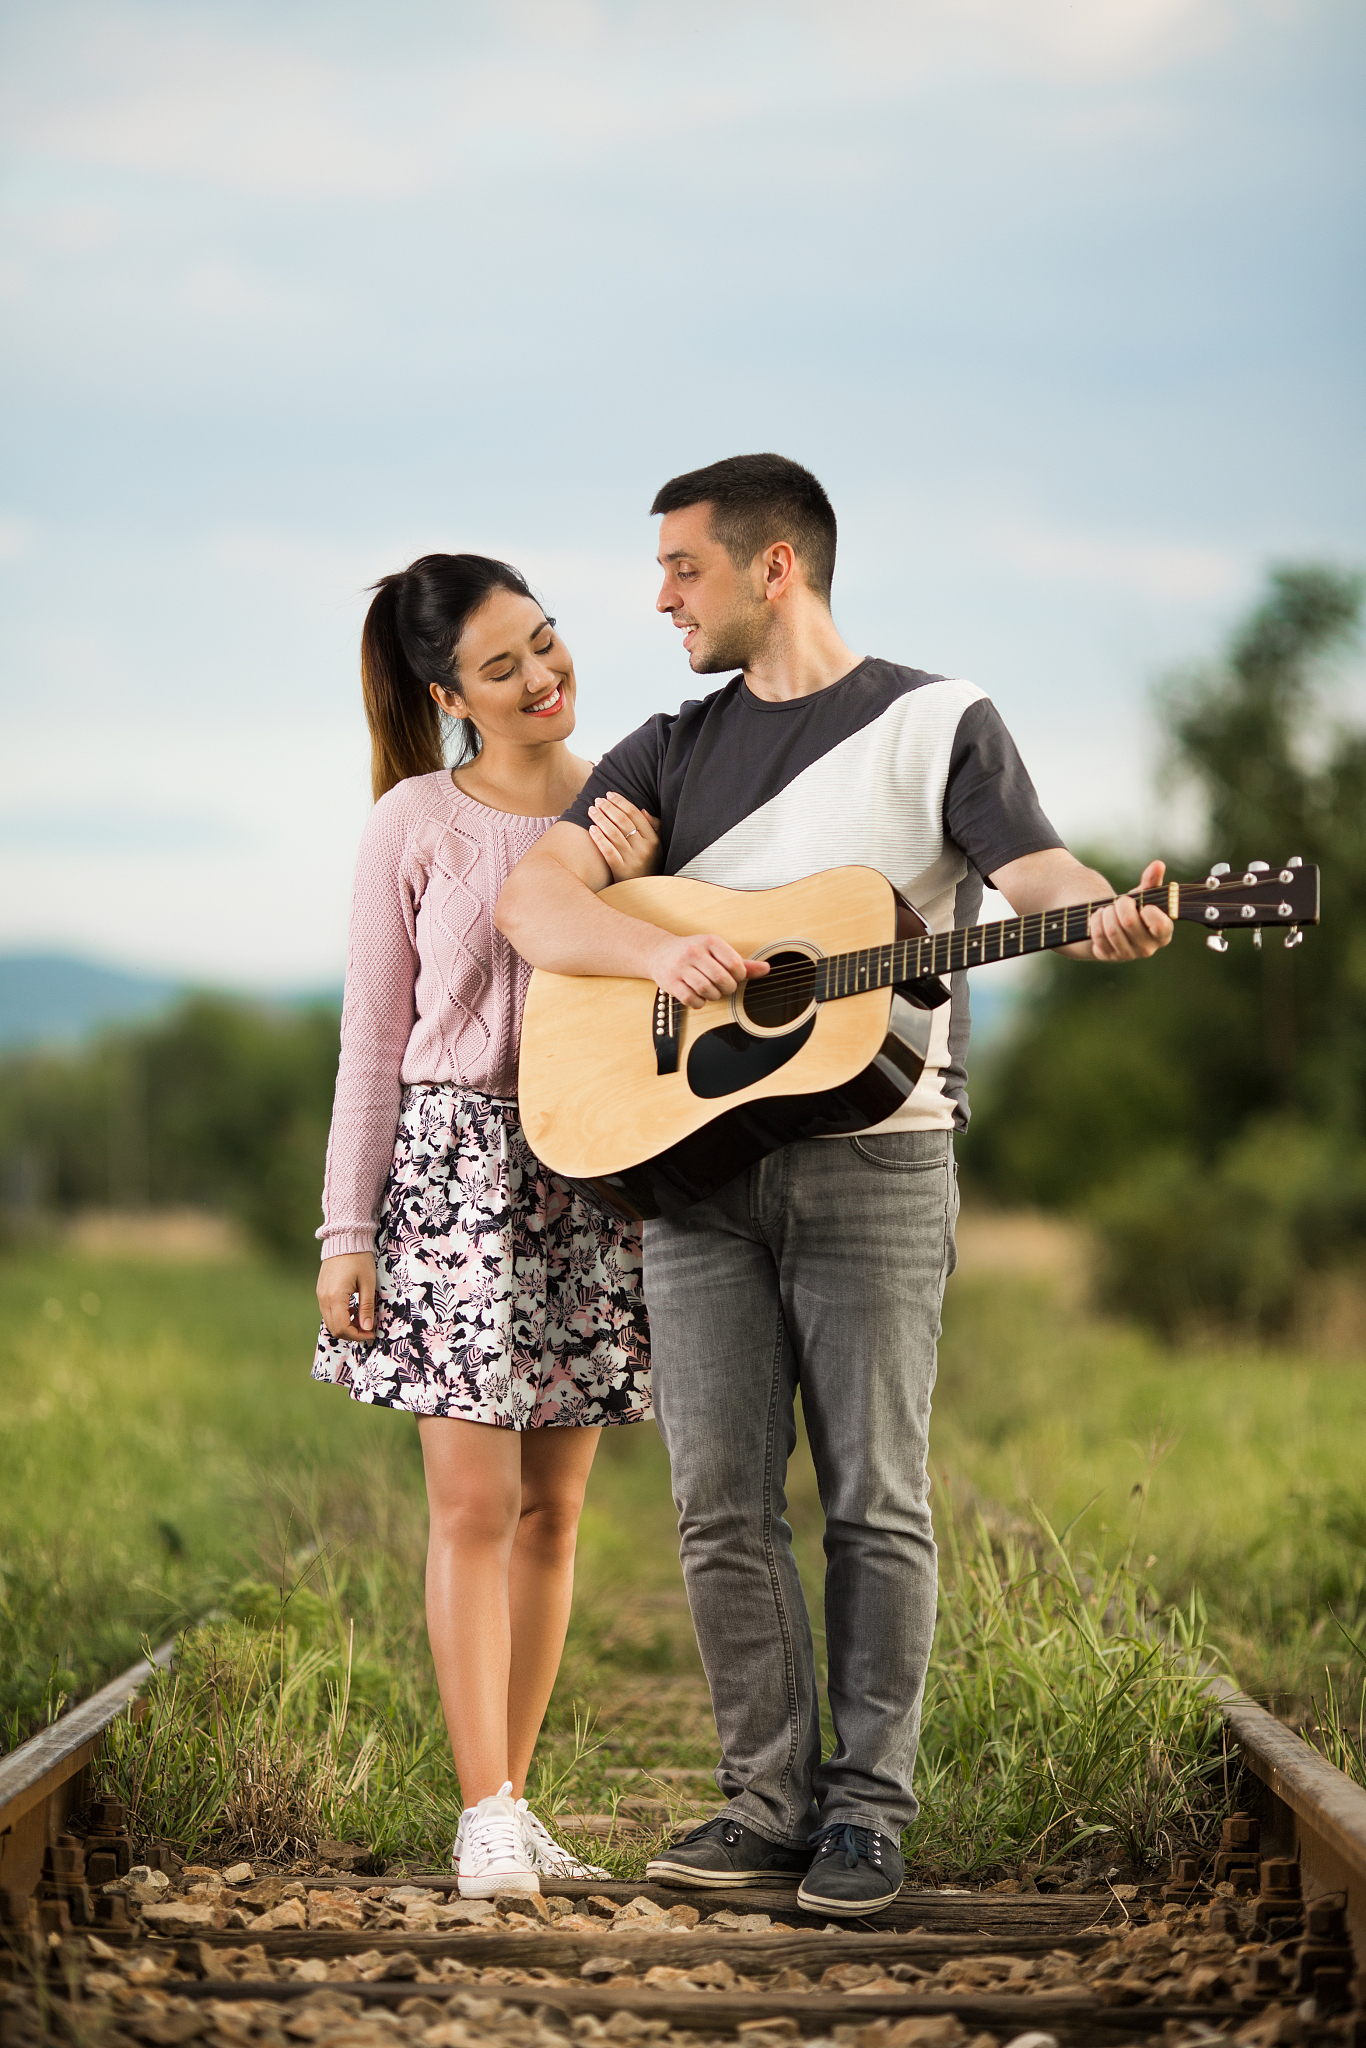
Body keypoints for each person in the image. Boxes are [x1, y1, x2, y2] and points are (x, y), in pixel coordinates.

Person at [495, 454, 1173, 1916]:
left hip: (878, 1160)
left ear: (773, 566)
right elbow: (532, 901)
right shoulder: (666, 750)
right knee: (716, 1505)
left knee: (874, 1496)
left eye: (682, 566)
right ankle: (764, 1802)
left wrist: (1103, 914)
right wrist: (652, 951)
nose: (658, 594)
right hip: (689, 1171)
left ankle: (867, 1815)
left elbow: (1038, 871)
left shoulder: (935, 724)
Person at [313, 553, 655, 1898]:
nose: (540, 677)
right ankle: (482, 1813)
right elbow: (373, 1039)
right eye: (502, 664)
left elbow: (677, 998)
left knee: (552, 1517)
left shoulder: (637, 802)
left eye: (548, 641)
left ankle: (514, 1804)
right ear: (448, 690)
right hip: (453, 1171)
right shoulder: (413, 821)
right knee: (469, 1505)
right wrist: (349, 1230)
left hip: (597, 1170)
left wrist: (627, 886)